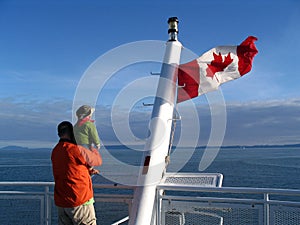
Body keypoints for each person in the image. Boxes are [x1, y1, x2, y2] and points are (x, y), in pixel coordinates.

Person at [51, 121, 102, 225]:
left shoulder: (56, 150)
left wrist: (88, 171)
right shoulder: (75, 149)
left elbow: (69, 168)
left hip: (62, 202)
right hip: (79, 200)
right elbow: (96, 160)